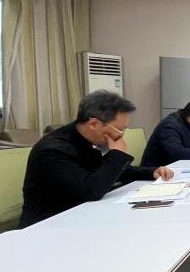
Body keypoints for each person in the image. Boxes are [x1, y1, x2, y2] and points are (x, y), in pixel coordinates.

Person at [19, 90, 174, 228]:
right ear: (94, 124)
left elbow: (118, 172)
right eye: (120, 130)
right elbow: (90, 191)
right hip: (49, 225)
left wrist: (152, 172)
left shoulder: (88, 140)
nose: (121, 136)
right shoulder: (52, 150)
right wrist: (117, 154)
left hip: (84, 216)